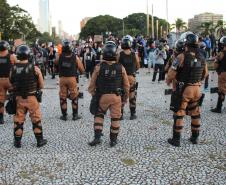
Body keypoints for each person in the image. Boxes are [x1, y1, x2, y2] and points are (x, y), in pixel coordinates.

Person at [166, 33, 208, 147]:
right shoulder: (202, 56)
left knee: (179, 113)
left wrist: (168, 81)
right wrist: (197, 81)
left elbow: (171, 73)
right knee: (195, 113)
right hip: (197, 89)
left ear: (186, 43)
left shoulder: (181, 56)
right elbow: (205, 73)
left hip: (185, 89)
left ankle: (176, 139)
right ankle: (195, 138)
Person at [88, 41, 130, 147]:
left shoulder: (98, 67)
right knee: (115, 118)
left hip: (102, 96)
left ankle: (97, 137)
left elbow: (91, 85)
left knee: (99, 115)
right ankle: (113, 140)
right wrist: (125, 99)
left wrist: (94, 95)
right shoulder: (121, 67)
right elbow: (126, 86)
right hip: (116, 97)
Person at [10, 44, 47, 148]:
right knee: (36, 119)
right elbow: (41, 85)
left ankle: (17, 142)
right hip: (32, 98)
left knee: (18, 119)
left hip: (19, 98)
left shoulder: (13, 68)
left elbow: (11, 81)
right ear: (28, 55)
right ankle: (39, 141)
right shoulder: (35, 69)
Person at [56, 39, 85, 121]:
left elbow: (55, 63)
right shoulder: (75, 57)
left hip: (62, 78)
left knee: (63, 96)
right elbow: (82, 69)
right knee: (74, 96)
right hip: (72, 79)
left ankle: (64, 115)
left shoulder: (60, 56)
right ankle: (75, 115)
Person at [118, 35, 140, 120]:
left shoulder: (119, 55)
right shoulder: (134, 55)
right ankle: (133, 114)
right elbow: (138, 66)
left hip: (121, 79)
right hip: (131, 78)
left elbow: (116, 65)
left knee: (121, 95)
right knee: (132, 95)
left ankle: (121, 114)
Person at [0, 40, 16, 124]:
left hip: (0, 81)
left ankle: (1, 118)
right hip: (10, 80)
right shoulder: (12, 56)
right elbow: (18, 66)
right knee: (15, 97)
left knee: (0, 100)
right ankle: (16, 116)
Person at [211, 36, 226, 113]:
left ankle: (219, 108)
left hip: (223, 74)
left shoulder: (221, 53)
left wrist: (217, 70)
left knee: (221, 90)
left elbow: (216, 65)